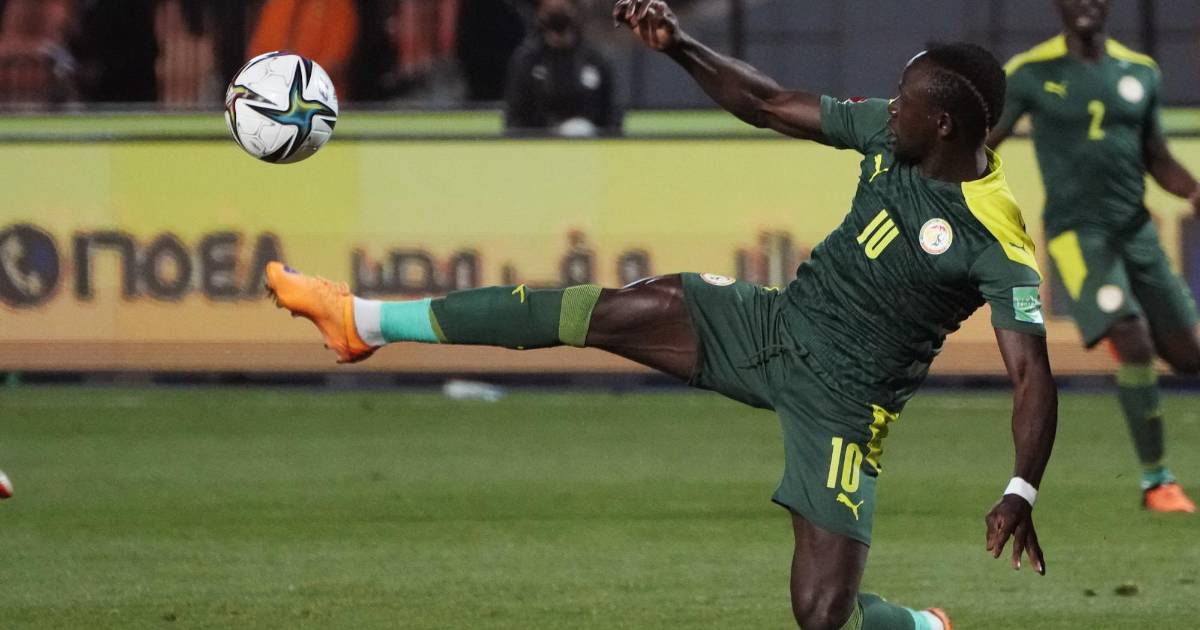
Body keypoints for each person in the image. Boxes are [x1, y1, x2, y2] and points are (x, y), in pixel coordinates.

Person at [265, 0, 1058, 626]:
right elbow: (767, 102)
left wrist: (1020, 488)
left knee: (820, 613)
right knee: (600, 310)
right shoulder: (893, 134)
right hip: (770, 325)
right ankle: (362, 321)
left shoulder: (996, 238)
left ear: (944, 124)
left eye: (905, 101)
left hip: (845, 405)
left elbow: (1031, 375)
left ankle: (913, 626)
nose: (890, 108)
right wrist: (678, 44)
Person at [987, 0, 1199, 513]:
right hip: (1077, 236)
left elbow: (1157, 157)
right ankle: (1157, 482)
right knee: (1132, 337)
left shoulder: (1140, 72)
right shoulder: (1030, 72)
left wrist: (1193, 191)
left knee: (1189, 356)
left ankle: (1158, 474)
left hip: (1137, 234)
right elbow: (985, 142)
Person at [504, 0, 621, 137]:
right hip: (539, 145)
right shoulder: (527, 61)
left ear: (575, 9)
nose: (556, 12)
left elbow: (612, 115)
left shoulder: (596, 60)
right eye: (549, 8)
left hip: (589, 143)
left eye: (563, 7)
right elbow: (515, 117)